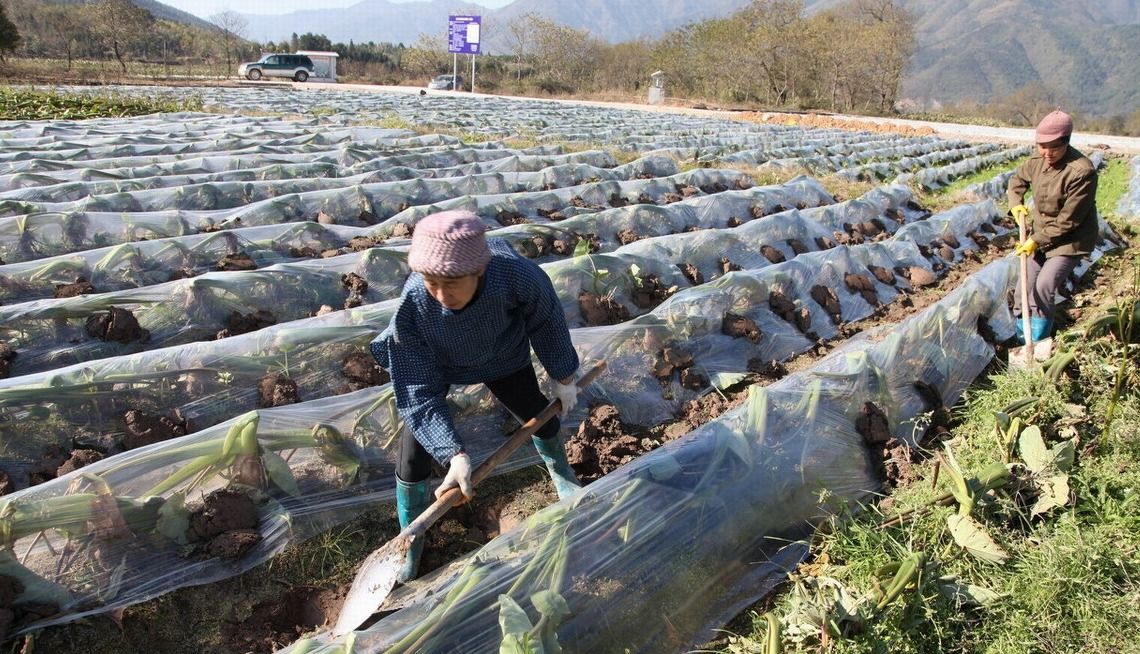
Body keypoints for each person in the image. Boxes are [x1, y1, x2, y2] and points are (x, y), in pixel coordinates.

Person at [369, 209, 582, 583]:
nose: (440, 293)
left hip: (503, 356)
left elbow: (545, 320)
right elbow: (417, 388)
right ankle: (411, 536)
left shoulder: (515, 275)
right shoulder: (415, 303)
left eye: (451, 283)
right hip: (440, 363)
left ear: (478, 271)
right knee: (413, 455)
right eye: (431, 281)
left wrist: (563, 376)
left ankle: (561, 472)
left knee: (537, 414)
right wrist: (454, 454)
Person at [1006, 109, 1098, 342]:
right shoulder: (1037, 162)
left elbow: (1069, 220)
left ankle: (1038, 343)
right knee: (1023, 290)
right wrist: (1016, 204)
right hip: (1040, 234)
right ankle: (1022, 340)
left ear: (1067, 143)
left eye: (1054, 148)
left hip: (1070, 240)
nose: (1047, 153)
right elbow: (1017, 181)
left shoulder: (1082, 172)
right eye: (1042, 146)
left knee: (1043, 287)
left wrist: (1035, 240)